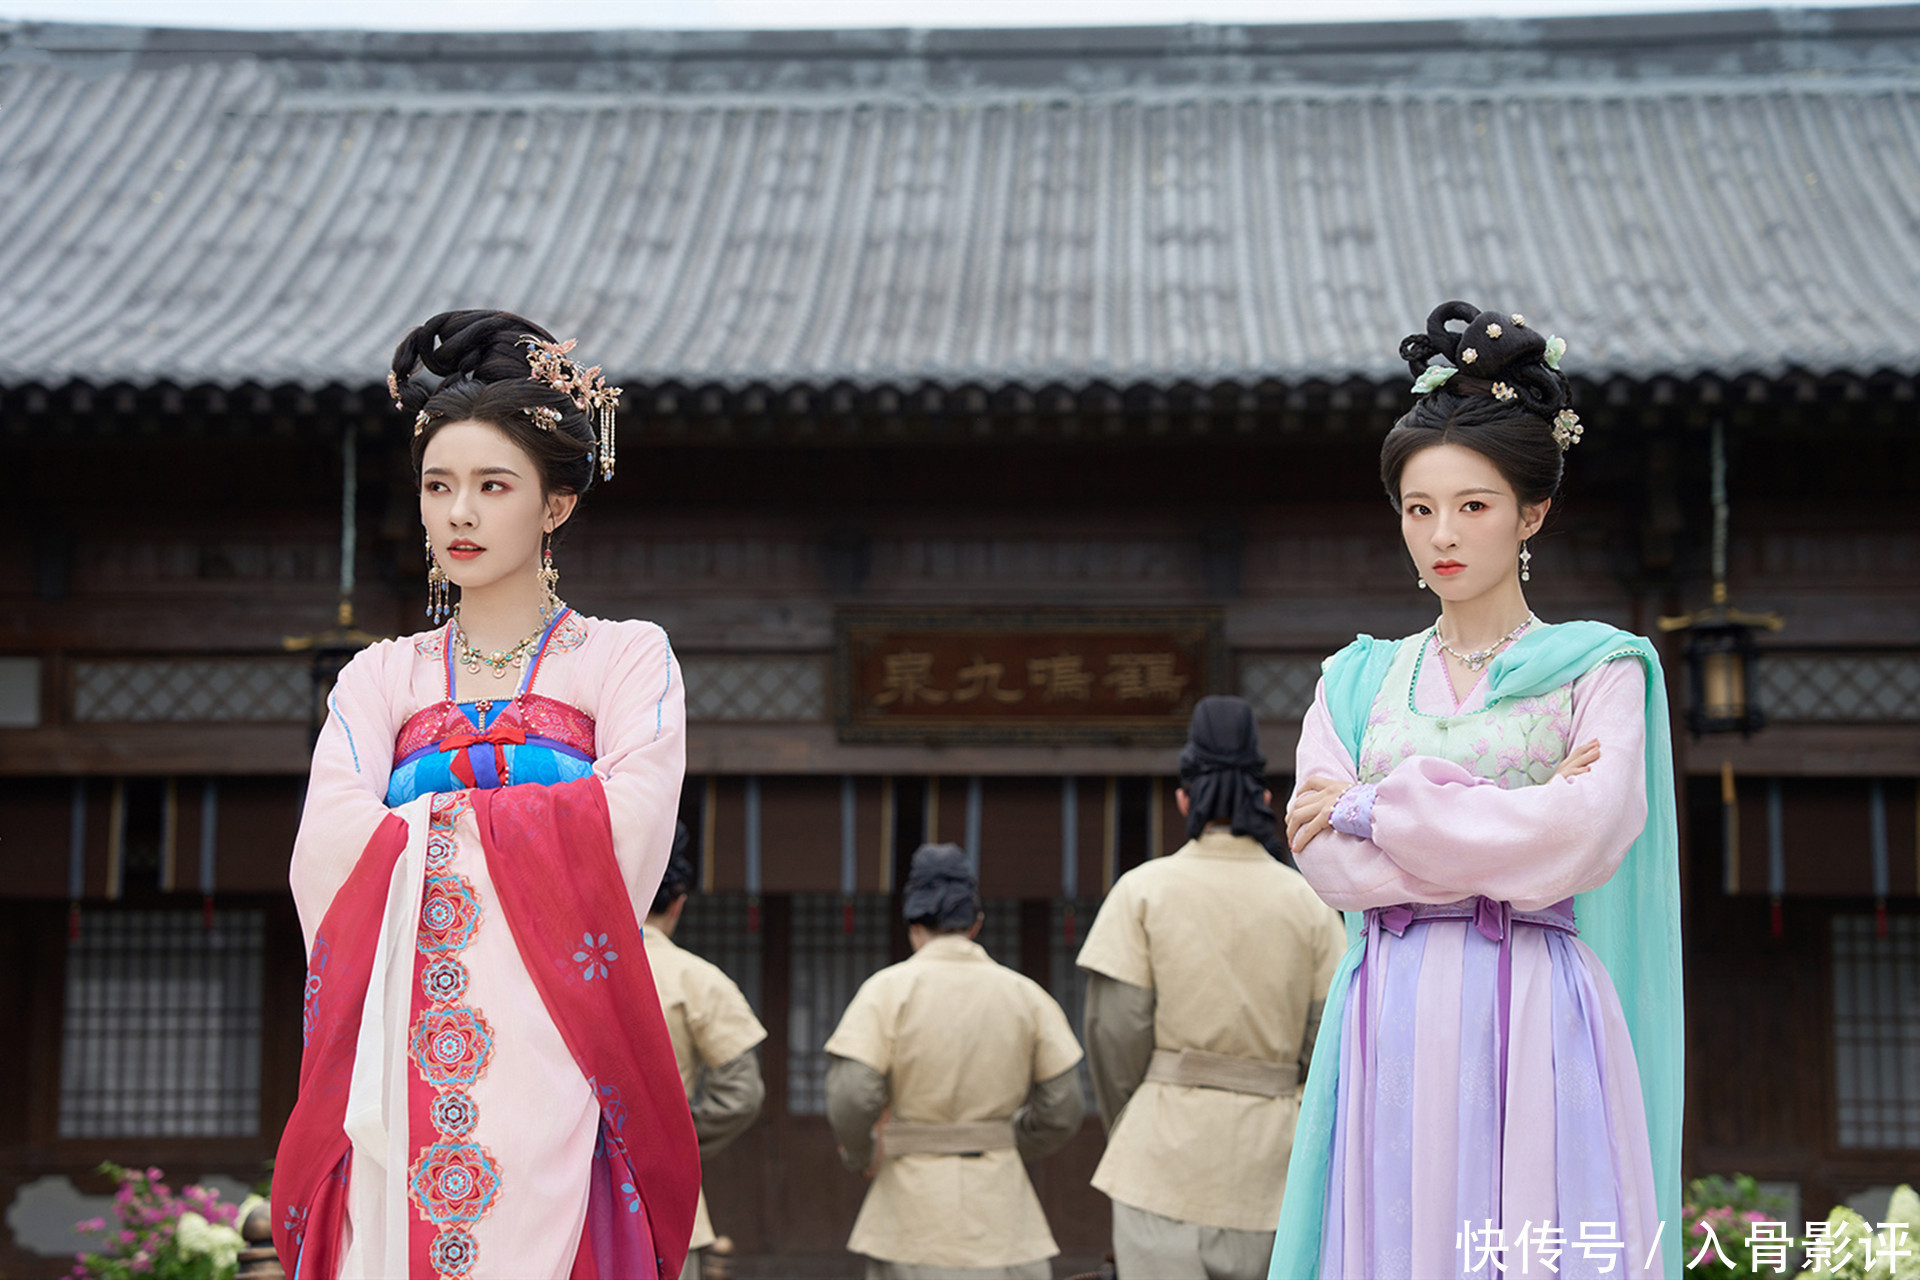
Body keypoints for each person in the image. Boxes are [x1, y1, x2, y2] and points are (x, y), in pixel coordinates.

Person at [273, 310, 699, 1280]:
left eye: (493, 485)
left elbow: (630, 827)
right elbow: (327, 845)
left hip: (562, 1036)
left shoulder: (626, 657)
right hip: (398, 1038)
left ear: (556, 505)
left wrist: (424, 820)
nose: (459, 512)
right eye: (439, 485)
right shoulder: (380, 675)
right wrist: (530, 809)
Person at [1270, 302, 1683, 1279]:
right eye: (1419, 509)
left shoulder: (1599, 670)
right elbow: (1327, 864)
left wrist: (1376, 807)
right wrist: (1518, 820)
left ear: (1532, 512)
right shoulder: (1357, 679)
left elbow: (1585, 835)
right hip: (1390, 1010)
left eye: (1473, 505)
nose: (1442, 535)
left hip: (1532, 1003)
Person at [1077, 696, 1348, 1280]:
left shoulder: (1142, 892)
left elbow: (1114, 1033)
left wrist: (1143, 1111)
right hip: (1276, 1166)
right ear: (1265, 799)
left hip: (1160, 1158)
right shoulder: (1310, 903)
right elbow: (1330, 1041)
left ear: (1184, 799)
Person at [824, 843, 1085, 1280]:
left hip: (909, 1217)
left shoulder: (885, 992)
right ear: (976, 922)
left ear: (912, 923)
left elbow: (852, 1095)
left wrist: (864, 1151)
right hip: (1004, 1216)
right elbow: (1063, 1106)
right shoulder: (1025, 995)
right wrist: (1005, 1138)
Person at [644, 821, 769, 1280]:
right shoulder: (696, 979)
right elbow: (742, 1093)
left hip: (571, 1196)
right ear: (678, 904)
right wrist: (671, 1137)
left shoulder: (565, 969)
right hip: (665, 1194)